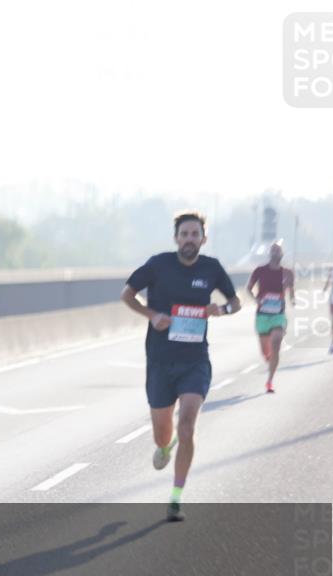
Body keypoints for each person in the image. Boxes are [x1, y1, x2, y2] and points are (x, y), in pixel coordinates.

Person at [120, 211, 241, 521]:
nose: (189, 239)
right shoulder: (158, 264)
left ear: (203, 238)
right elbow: (127, 294)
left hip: (195, 361)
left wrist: (221, 309)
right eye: (184, 234)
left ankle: (175, 497)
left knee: (187, 426)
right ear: (176, 238)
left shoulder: (211, 268)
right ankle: (165, 445)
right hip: (160, 360)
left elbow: (235, 302)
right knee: (163, 434)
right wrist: (152, 316)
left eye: (195, 234)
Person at [246, 242, 295, 392]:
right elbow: (248, 289)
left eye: (278, 251)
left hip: (278, 315)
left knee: (276, 343)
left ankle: (270, 381)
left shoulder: (287, 273)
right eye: (273, 251)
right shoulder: (260, 270)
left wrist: (293, 299)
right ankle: (270, 361)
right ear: (269, 254)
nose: (275, 254)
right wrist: (256, 299)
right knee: (266, 352)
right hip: (262, 315)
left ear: (282, 254)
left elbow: (291, 291)